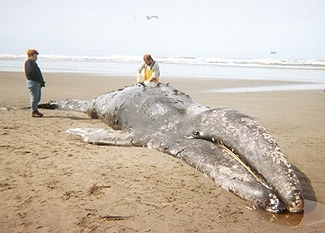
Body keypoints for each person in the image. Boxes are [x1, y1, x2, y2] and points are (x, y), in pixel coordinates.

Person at [24, 49, 46, 117]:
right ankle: (34, 111)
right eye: (35, 55)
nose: (36, 57)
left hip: (36, 82)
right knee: (34, 97)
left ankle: (35, 109)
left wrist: (41, 81)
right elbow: (30, 72)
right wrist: (37, 79)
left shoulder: (33, 63)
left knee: (37, 97)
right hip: (33, 82)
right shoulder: (28, 63)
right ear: (30, 55)